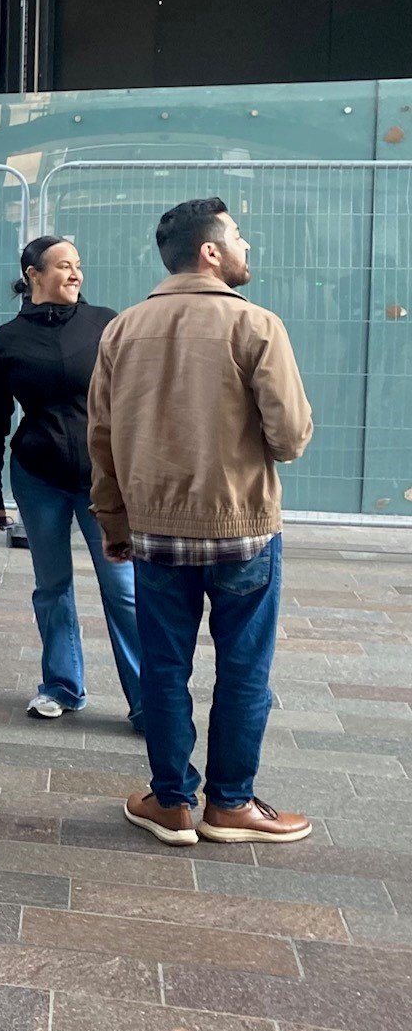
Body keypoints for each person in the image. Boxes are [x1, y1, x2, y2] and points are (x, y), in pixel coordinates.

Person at [89, 197, 314, 848]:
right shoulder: (257, 326)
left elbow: (99, 439)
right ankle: (232, 805)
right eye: (239, 236)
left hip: (155, 532)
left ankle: (171, 802)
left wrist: (113, 521)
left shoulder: (123, 330)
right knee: (244, 669)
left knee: (163, 668)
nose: (248, 246)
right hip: (242, 526)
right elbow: (291, 436)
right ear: (210, 251)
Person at [0, 236, 142, 729]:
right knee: (52, 587)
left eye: (78, 266)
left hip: (102, 483)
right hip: (37, 478)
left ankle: (149, 703)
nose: (76, 275)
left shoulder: (105, 324)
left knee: (125, 590)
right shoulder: (6, 340)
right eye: (65, 266)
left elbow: (133, 401)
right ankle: (62, 686)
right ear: (34, 275)